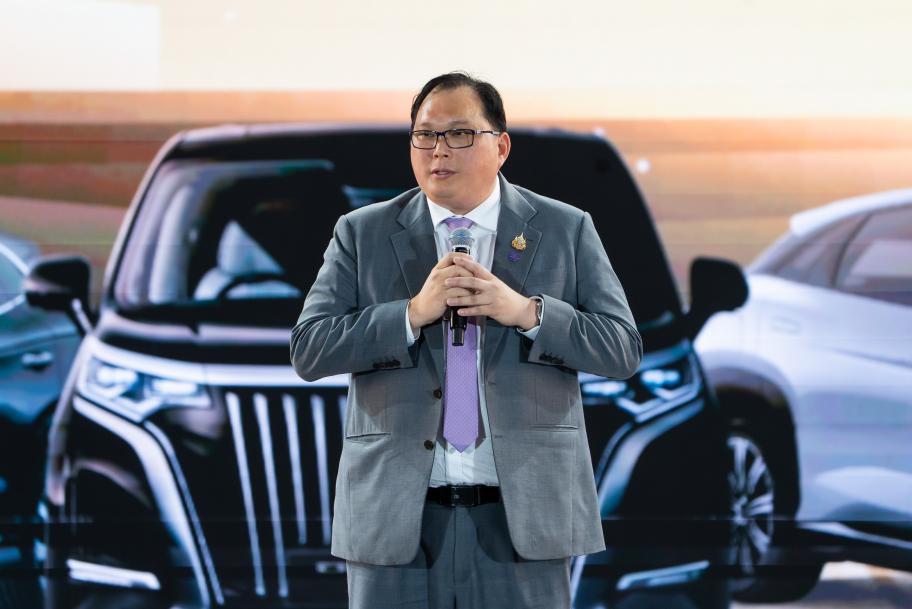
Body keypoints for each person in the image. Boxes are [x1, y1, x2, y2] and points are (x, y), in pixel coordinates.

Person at [290, 71, 642, 609]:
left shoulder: (564, 228)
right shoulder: (362, 232)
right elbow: (310, 349)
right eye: (424, 135)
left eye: (458, 133)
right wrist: (410, 315)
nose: (438, 150)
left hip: (520, 520)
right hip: (395, 520)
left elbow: (621, 348)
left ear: (501, 146)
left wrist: (527, 313)